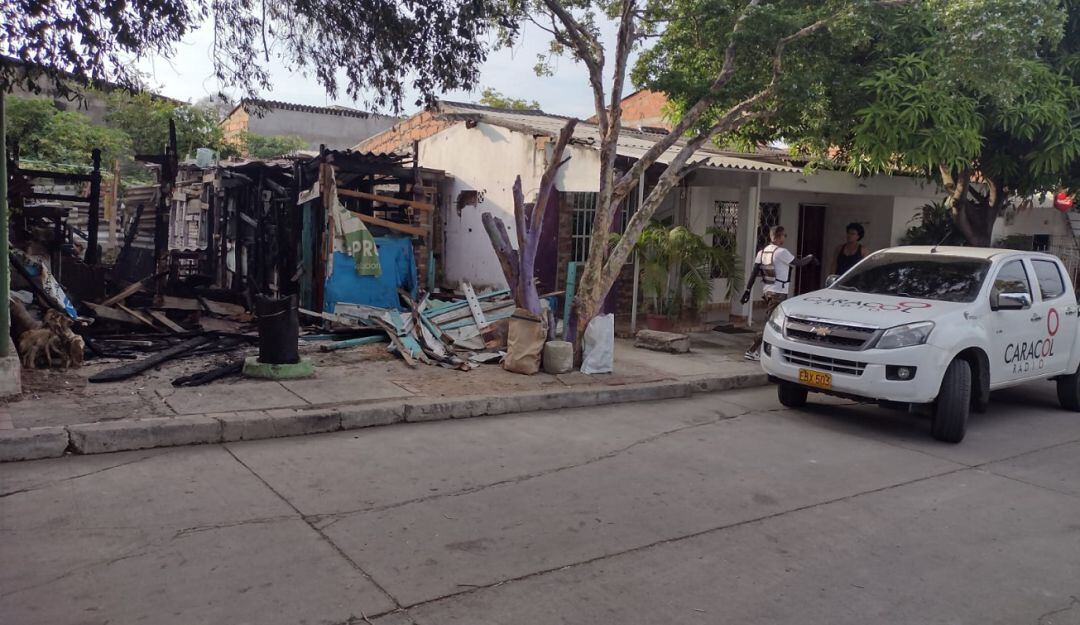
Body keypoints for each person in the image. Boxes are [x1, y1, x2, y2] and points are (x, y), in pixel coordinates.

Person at [740, 226, 816, 361]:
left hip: (768, 292)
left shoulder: (762, 252)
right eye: (784, 235)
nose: (785, 238)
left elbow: (754, 273)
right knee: (770, 323)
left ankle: (771, 349)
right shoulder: (782, 252)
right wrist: (810, 257)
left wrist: (747, 290)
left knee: (776, 321)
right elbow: (799, 263)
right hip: (778, 293)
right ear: (779, 237)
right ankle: (751, 350)